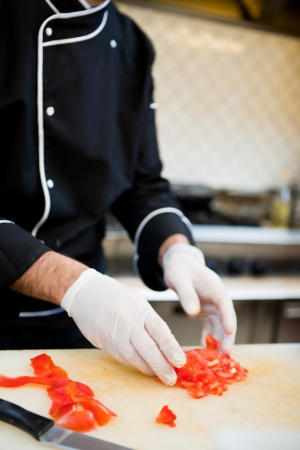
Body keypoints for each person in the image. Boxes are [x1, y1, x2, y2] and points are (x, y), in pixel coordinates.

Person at [0, 0, 236, 386]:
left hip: (80, 326)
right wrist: (76, 285)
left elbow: (142, 184)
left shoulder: (133, 47)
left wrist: (178, 251)